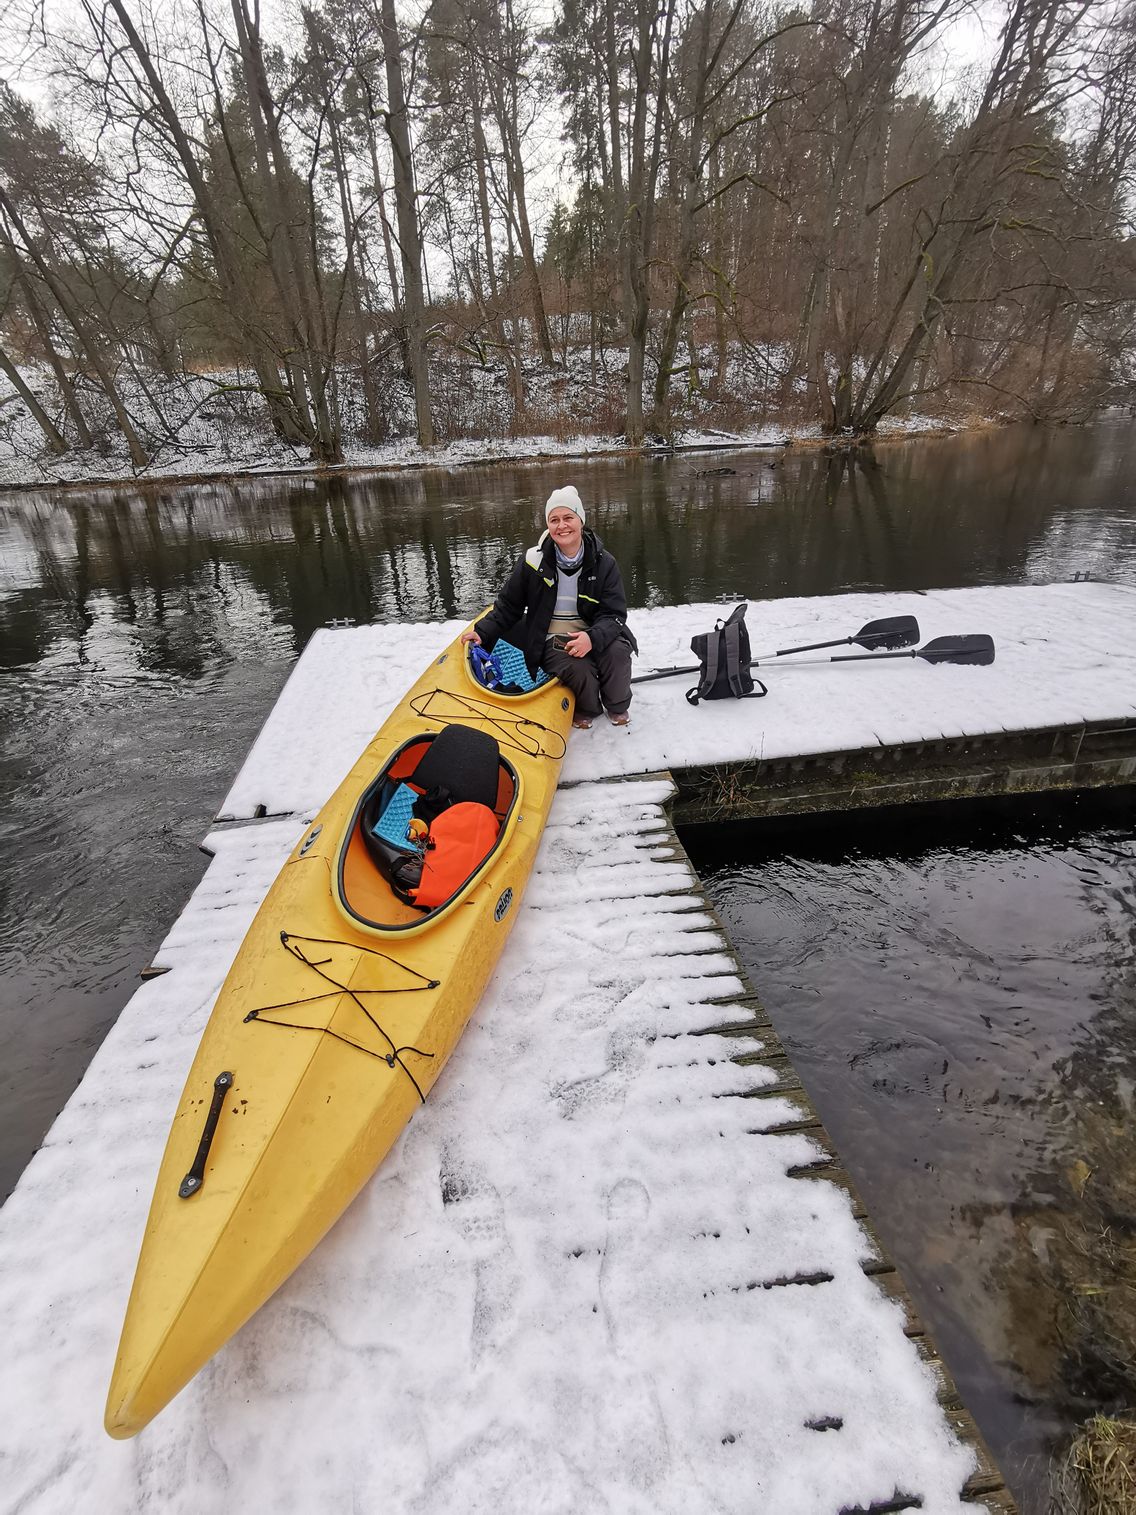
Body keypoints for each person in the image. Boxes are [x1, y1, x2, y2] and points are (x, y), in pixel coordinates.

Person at [461, 485, 637, 729]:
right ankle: (587, 708)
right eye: (554, 520)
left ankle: (617, 705)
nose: (561, 525)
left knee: (617, 654)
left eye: (568, 518)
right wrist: (482, 631)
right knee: (579, 667)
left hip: (595, 630)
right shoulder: (533, 561)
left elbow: (614, 614)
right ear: (547, 525)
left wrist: (591, 638)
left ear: (581, 521)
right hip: (554, 637)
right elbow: (508, 606)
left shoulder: (604, 562)